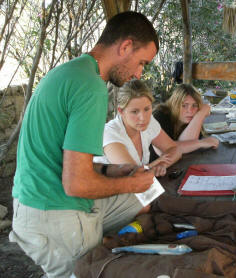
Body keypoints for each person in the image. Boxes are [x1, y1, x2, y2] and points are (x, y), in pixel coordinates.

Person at [9, 12, 159, 278]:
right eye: (141, 62)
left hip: (33, 204)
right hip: (53, 214)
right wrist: (130, 183)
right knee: (91, 271)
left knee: (142, 198)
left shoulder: (72, 71)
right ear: (125, 47)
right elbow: (76, 184)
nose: (139, 73)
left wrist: (112, 172)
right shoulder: (91, 87)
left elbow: (66, 161)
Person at [94, 79, 181, 177]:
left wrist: (161, 165)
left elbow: (175, 149)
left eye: (147, 109)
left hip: (136, 189)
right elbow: (132, 174)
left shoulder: (149, 122)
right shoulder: (110, 133)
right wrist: (154, 165)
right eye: (135, 112)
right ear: (121, 111)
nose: (143, 118)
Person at [150, 84, 219, 161]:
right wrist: (201, 143)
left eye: (194, 105)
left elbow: (187, 146)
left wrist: (200, 114)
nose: (190, 110)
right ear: (175, 104)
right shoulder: (160, 116)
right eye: (184, 105)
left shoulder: (193, 118)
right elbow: (167, 150)